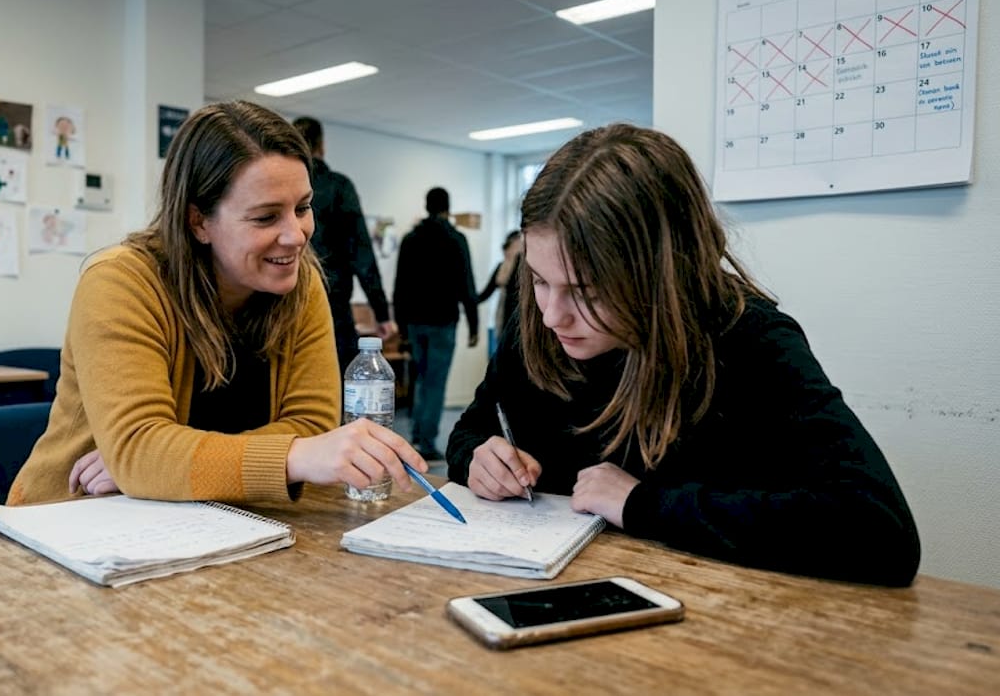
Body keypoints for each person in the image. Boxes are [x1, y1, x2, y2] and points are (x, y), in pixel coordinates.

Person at [445, 124, 920, 586]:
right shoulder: (536, 323)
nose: (552, 316)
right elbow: (474, 429)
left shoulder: (749, 338)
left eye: (587, 293)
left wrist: (642, 503)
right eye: (539, 279)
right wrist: (477, 460)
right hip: (542, 588)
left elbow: (880, 531)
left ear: (659, 274)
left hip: (704, 612)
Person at [7, 100, 426, 507]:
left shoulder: (302, 283)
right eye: (265, 217)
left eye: (302, 208)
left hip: (224, 521)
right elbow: (140, 449)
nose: (296, 235)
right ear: (198, 221)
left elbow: (311, 426)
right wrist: (289, 457)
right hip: (73, 518)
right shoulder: (120, 282)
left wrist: (166, 467)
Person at [291, 116, 394, 370]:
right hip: (332, 306)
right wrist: (381, 312)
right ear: (321, 145)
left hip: (285, 302)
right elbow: (362, 253)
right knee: (339, 386)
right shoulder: (339, 187)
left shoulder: (282, 186)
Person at [393, 187, 479, 462]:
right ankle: (427, 442)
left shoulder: (411, 239)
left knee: (421, 377)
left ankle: (418, 434)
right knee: (436, 382)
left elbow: (400, 286)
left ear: (427, 206)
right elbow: (467, 283)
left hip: (415, 322)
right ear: (447, 208)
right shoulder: (456, 239)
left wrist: (401, 326)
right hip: (443, 321)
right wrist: (475, 325)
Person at [477, 229, 522, 355]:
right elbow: (486, 293)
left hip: (519, 320)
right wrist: (467, 300)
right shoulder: (501, 267)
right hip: (503, 317)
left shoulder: (523, 268)